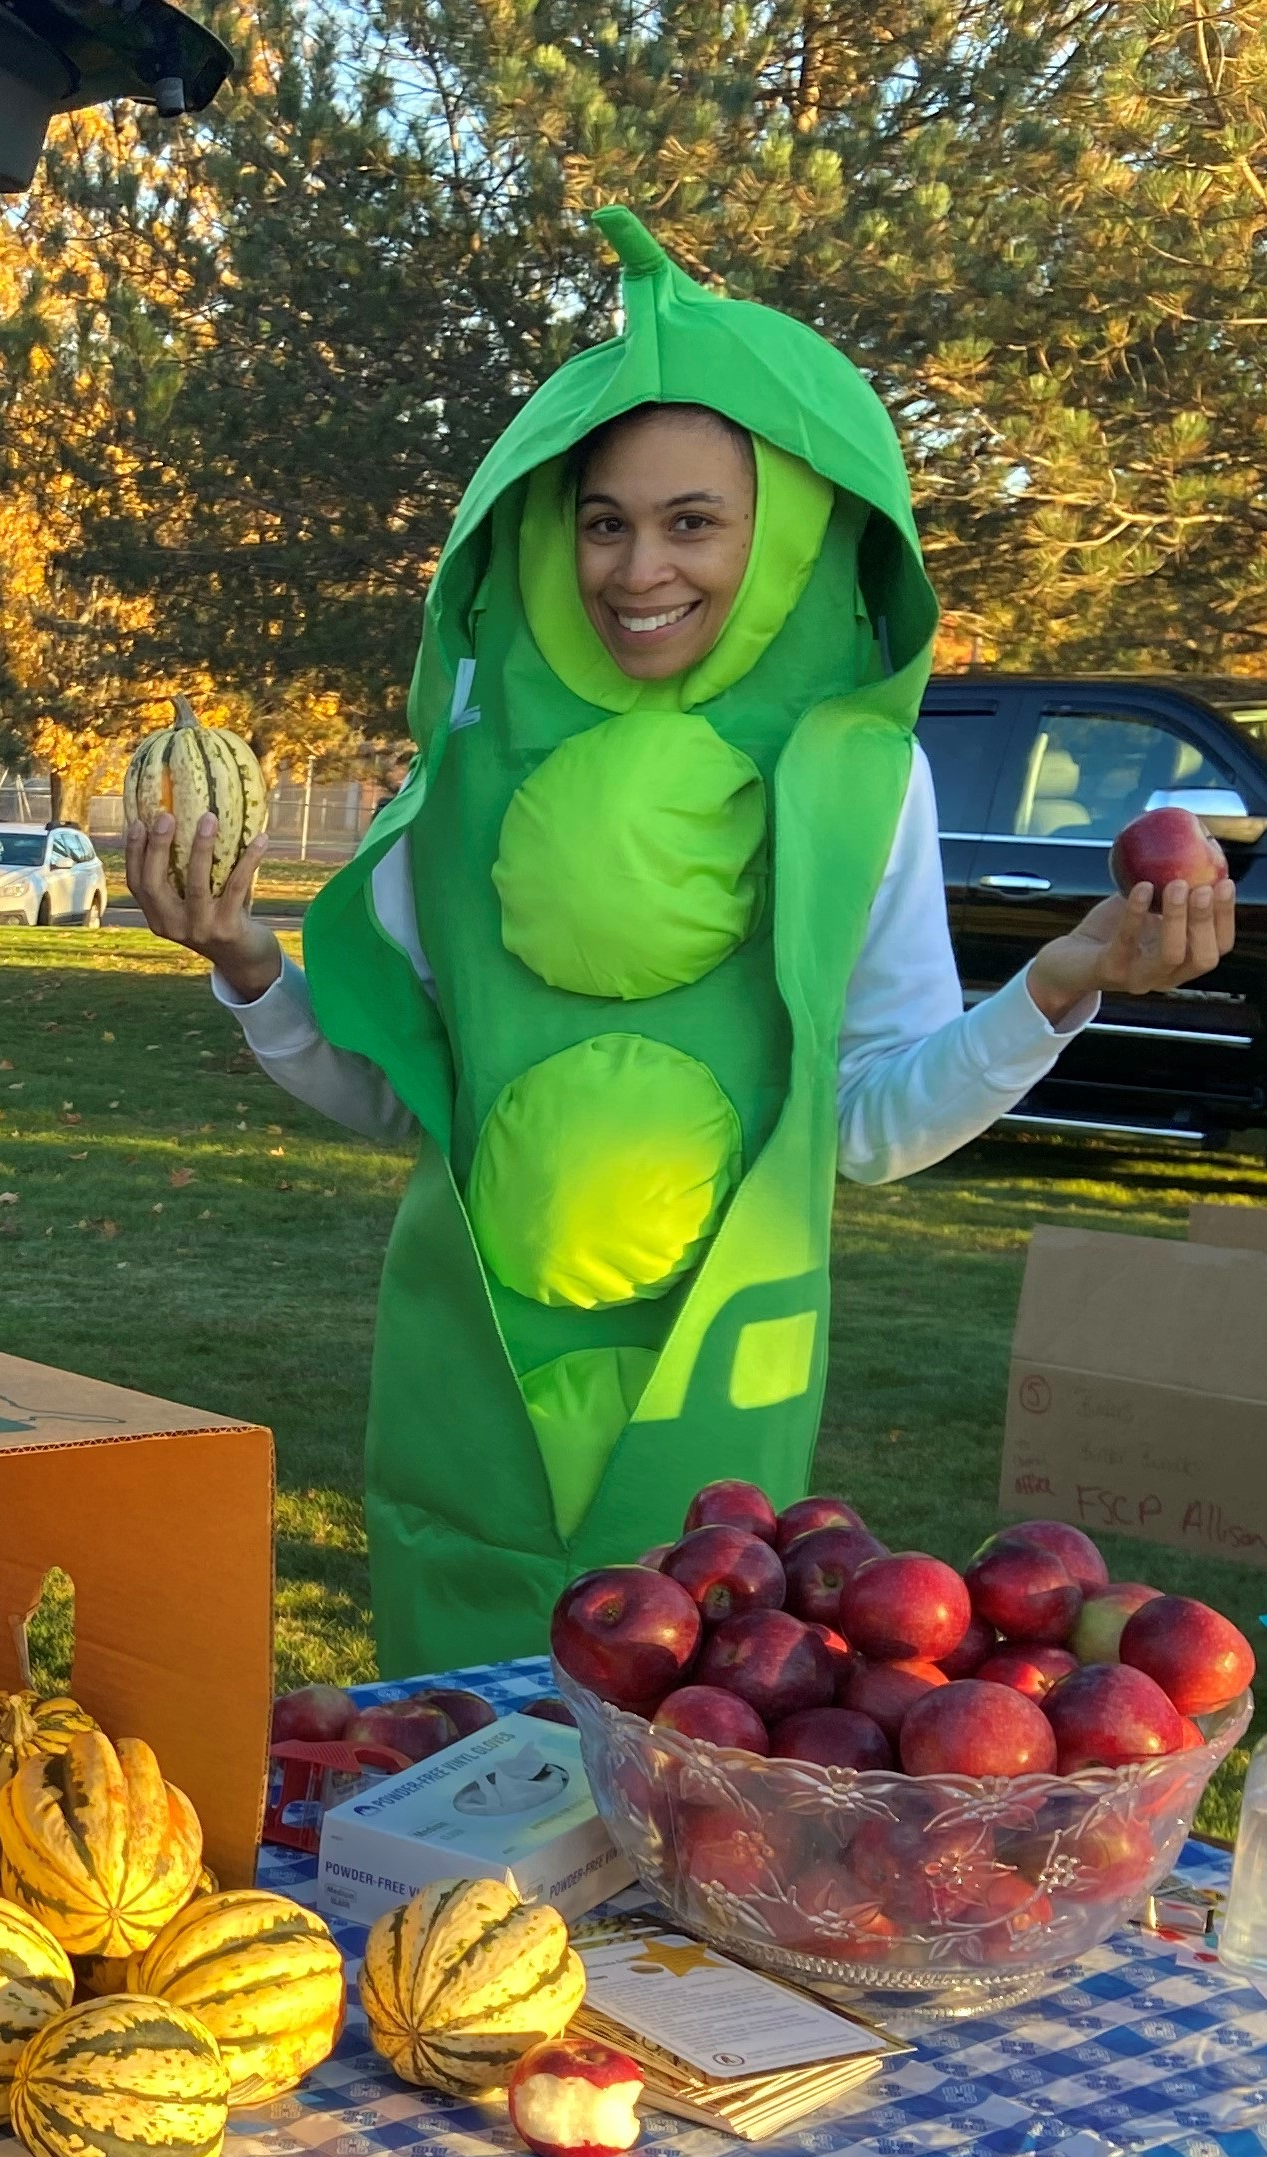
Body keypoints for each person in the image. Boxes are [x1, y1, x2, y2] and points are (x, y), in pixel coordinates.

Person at [131, 210, 1234, 1675]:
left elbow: (867, 1122)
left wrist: (1062, 982)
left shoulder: (860, 776)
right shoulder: (467, 761)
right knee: (447, 1796)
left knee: (685, 1782)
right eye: (606, 519)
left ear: (783, 532)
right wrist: (250, 967)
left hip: (721, 1399)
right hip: (469, 1393)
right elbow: (405, 1091)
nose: (639, 568)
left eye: (694, 520)